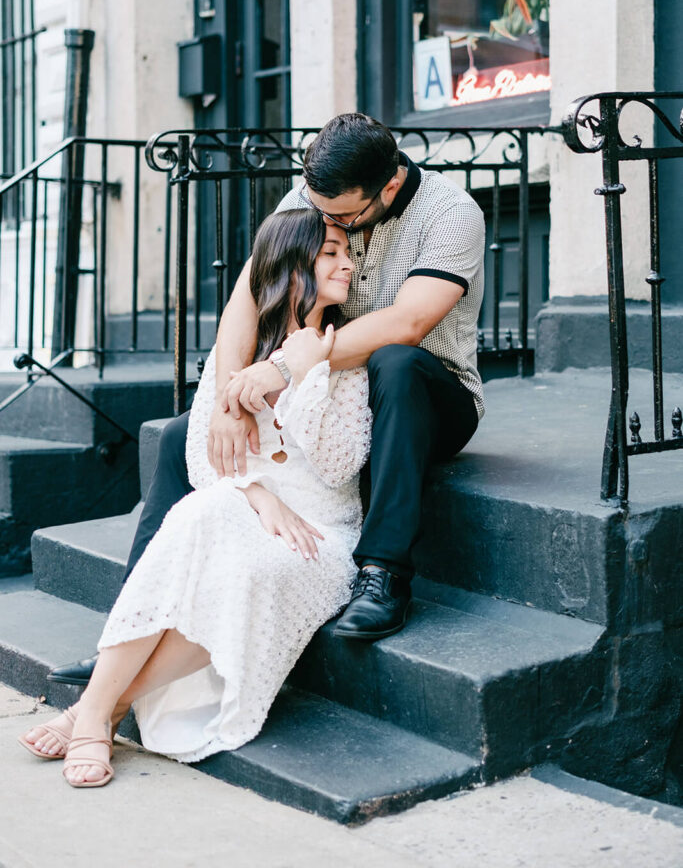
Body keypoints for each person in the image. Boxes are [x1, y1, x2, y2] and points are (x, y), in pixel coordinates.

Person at [48, 111, 485, 687]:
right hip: (321, 390)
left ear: (391, 187)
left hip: (428, 394)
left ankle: (383, 573)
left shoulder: (452, 214)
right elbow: (247, 301)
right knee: (184, 433)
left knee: (395, 363)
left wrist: (282, 366)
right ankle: (128, 630)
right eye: (318, 208)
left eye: (343, 216)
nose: (329, 224)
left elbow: (406, 323)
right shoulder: (312, 195)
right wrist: (230, 403)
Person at [19, 209, 371, 787]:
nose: (348, 263)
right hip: (247, 510)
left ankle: (96, 711)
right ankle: (100, 713)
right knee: (200, 510)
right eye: (331, 252)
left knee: (238, 576)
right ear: (292, 262)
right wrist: (257, 493)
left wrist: (306, 369)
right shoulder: (241, 348)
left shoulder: (343, 353)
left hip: (319, 535)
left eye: (347, 252)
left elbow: (339, 466)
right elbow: (206, 457)